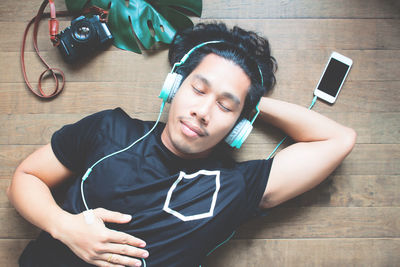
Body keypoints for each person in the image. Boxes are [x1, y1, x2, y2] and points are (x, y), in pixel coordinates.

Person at [8, 23, 356, 267]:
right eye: (198, 89)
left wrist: (251, 105)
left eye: (224, 105)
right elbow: (27, 176)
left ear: (239, 125)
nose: (202, 112)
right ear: (173, 85)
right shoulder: (109, 129)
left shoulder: (236, 187)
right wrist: (63, 225)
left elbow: (339, 140)